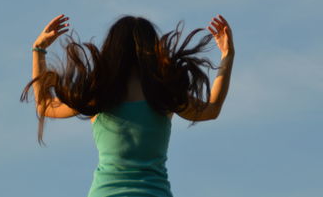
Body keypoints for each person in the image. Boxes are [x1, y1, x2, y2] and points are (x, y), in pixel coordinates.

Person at [20, 13, 235, 197]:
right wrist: (227, 56)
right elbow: (212, 109)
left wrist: (39, 49)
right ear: (152, 49)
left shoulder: (98, 95)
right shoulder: (164, 95)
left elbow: (44, 105)